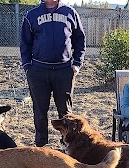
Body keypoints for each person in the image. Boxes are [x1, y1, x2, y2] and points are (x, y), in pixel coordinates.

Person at [20, 0, 86, 147]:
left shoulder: (70, 13)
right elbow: (25, 43)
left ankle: (67, 144)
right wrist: (27, 66)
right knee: (40, 109)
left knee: (65, 110)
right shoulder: (32, 15)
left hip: (64, 71)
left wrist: (77, 64)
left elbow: (79, 39)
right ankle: (41, 144)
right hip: (38, 70)